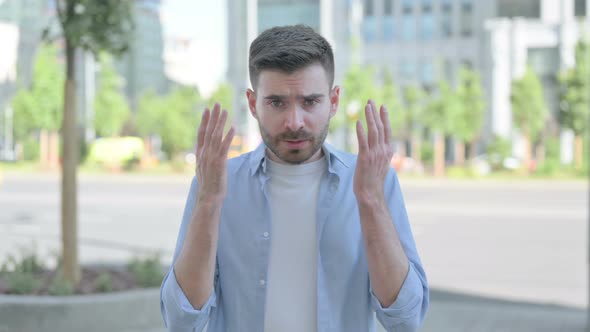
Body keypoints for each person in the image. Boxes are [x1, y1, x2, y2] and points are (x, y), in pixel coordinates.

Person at [160, 25, 429, 332]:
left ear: (334, 101)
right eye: (276, 102)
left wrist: (370, 202)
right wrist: (208, 204)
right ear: (252, 104)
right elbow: (181, 321)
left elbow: (406, 318)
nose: (294, 121)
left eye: (310, 101)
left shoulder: (375, 180)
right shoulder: (217, 183)